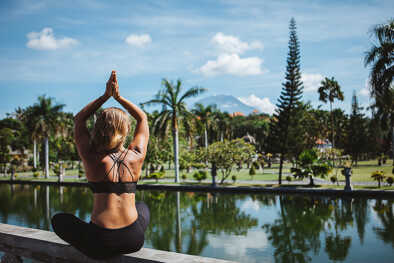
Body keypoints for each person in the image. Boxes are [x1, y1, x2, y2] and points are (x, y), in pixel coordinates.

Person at [51, 71, 150, 260]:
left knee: (59, 219)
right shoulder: (136, 155)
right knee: (142, 206)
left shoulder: (91, 157)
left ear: (98, 129)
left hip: (100, 242)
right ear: (126, 130)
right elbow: (143, 119)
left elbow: (79, 119)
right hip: (133, 240)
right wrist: (118, 97)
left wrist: (105, 96)